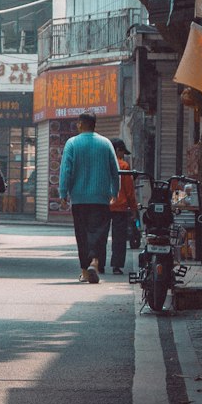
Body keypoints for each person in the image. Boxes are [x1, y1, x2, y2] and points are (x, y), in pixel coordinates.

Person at [57, 112, 120, 283]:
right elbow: (115, 171)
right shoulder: (105, 143)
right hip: (100, 198)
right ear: (94, 124)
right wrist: (115, 192)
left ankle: (85, 271)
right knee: (99, 232)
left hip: (79, 199)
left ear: (80, 124)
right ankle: (95, 261)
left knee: (82, 234)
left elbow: (66, 171)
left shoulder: (72, 143)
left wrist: (63, 193)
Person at [108, 138, 139, 273]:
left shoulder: (104, 164)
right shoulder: (124, 166)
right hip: (120, 206)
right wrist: (134, 209)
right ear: (117, 150)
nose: (123, 155)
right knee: (119, 237)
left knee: (101, 235)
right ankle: (116, 265)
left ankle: (99, 263)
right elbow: (129, 190)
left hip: (103, 204)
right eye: (122, 152)